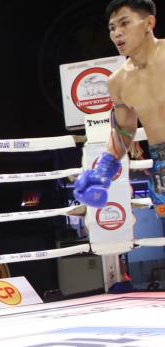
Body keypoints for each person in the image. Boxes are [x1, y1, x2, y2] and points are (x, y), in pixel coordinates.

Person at [74, 0, 160, 209]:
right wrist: (104, 169)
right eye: (112, 28)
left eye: (124, 23)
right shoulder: (118, 81)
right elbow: (125, 129)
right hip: (161, 162)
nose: (117, 33)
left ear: (149, 23)